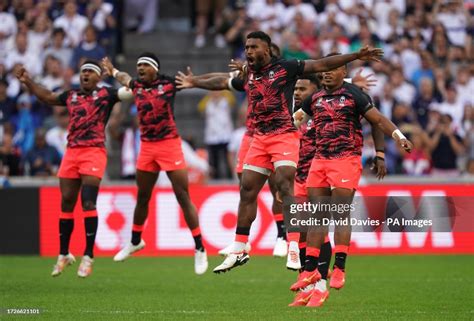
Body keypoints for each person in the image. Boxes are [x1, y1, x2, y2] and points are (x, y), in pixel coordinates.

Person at [175, 31, 384, 273]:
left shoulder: (286, 67)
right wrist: (194, 82)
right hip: (259, 139)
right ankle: (240, 246)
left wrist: (355, 55)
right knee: (247, 188)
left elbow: (321, 65)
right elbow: (222, 81)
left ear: (267, 49)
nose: (249, 51)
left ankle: (291, 244)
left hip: (284, 136)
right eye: (247, 47)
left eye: (254, 47)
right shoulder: (249, 74)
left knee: (285, 185)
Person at [291, 53, 412, 307]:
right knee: (318, 215)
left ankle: (340, 268)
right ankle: (310, 269)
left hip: (345, 160)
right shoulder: (315, 98)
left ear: (342, 70)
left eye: (332, 68)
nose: (325, 72)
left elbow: (377, 120)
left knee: (339, 215)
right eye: (324, 69)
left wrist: (398, 136)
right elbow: (295, 120)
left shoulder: (354, 95)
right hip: (320, 161)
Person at [101, 53, 208, 275]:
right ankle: (135, 240)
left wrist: (196, 80)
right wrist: (111, 71)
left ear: (154, 69)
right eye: (138, 65)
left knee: (182, 196)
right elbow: (123, 78)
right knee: (142, 197)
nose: (139, 68)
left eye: (144, 66)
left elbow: (197, 83)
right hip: (147, 147)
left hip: (169, 145)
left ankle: (199, 248)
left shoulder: (168, 83)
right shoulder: (136, 85)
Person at [16, 60, 120, 278]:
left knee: (88, 202)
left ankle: (88, 256)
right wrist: (28, 82)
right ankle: (63, 254)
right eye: (83, 72)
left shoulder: (107, 94)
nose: (85, 75)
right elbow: (47, 97)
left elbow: (130, 92)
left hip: (93, 151)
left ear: (98, 77)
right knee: (66, 203)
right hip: (71, 152)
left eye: (90, 72)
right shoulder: (71, 95)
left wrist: (117, 73)